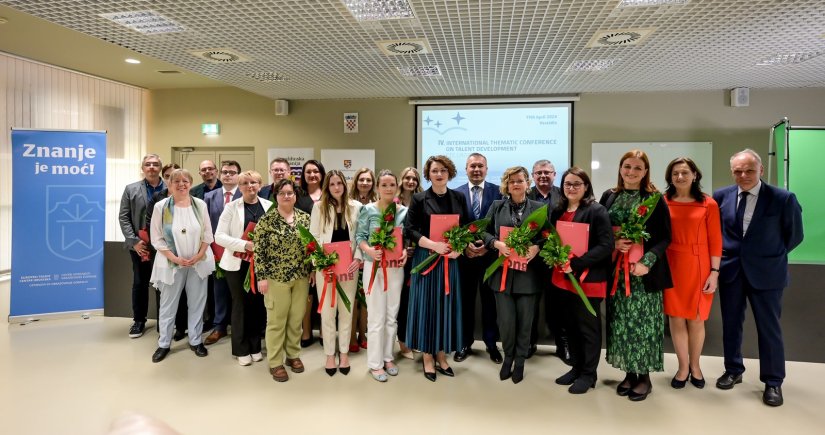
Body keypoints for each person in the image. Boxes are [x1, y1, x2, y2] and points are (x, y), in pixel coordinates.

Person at [713, 149, 803, 407]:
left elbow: (794, 235)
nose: (743, 175)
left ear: (761, 170)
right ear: (732, 172)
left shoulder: (782, 199)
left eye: (749, 170)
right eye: (738, 171)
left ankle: (773, 382)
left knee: (769, 328)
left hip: (767, 274)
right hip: (731, 271)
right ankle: (733, 370)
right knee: (731, 324)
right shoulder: (721, 196)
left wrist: (767, 256)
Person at [599, 149, 672, 402]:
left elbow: (665, 237)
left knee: (643, 326)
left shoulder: (654, 199)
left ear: (645, 172)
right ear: (620, 169)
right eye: (627, 166)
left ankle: (645, 378)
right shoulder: (609, 196)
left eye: (637, 168)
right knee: (621, 325)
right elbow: (601, 232)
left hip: (642, 275)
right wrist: (614, 243)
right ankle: (630, 373)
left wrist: (647, 262)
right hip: (616, 274)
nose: (631, 172)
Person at [405, 155, 470, 382]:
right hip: (427, 258)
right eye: (434, 171)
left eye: (443, 170)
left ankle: (442, 354)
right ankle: (427, 356)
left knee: (445, 306)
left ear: (449, 173)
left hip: (450, 261)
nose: (439, 174)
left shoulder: (459, 197)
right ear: (428, 174)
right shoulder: (419, 199)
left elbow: (468, 227)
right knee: (427, 306)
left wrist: (459, 249)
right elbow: (410, 230)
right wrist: (434, 245)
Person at [550, 167, 614, 394]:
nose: (572, 188)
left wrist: (576, 264)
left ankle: (589, 374)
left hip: (588, 280)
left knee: (588, 329)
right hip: (563, 279)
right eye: (567, 184)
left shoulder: (597, 211)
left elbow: (607, 246)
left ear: (586, 186)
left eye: (577, 184)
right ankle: (576, 368)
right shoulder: (558, 211)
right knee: (570, 327)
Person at [663, 157, 722, 389]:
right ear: (670, 177)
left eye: (685, 172)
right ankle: (682, 367)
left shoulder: (709, 204)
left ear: (695, 175)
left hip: (699, 266)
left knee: (697, 320)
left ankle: (696, 366)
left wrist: (714, 272)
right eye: (675, 173)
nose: (680, 177)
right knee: (676, 319)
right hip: (671, 264)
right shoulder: (663, 201)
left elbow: (716, 240)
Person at [480, 166, 542, 383]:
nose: (516, 184)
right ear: (506, 184)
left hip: (528, 275)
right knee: (506, 321)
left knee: (526, 321)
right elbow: (482, 230)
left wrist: (537, 248)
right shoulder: (497, 206)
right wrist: (495, 243)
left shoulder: (539, 207)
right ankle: (508, 358)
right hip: (502, 274)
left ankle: (521, 361)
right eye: (511, 181)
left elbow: (547, 235)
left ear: (528, 183)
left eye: (520, 180)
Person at [149, 169, 215, 363]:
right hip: (171, 263)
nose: (181, 184)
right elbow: (157, 238)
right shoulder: (161, 206)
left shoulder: (200, 204)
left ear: (190, 183)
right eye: (176, 181)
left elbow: (208, 234)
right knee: (168, 305)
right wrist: (175, 258)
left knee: (197, 303)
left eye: (185, 181)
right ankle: (164, 344)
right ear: (169, 184)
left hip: (198, 262)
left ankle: (195, 341)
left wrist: (199, 255)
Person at [254, 179, 312, 382]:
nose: (287, 196)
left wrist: (312, 269)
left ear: (295, 196)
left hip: (301, 277)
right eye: (282, 193)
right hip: (275, 278)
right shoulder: (266, 221)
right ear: (276, 196)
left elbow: (311, 246)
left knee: (296, 319)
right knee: (277, 322)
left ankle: (293, 355)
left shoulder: (305, 219)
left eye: (290, 193)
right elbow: (258, 252)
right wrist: (261, 277)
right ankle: (276, 362)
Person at [309, 170, 363, 376]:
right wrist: (320, 263)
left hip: (348, 267)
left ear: (345, 185)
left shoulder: (356, 207)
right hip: (326, 268)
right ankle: (330, 355)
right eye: (332, 184)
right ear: (327, 187)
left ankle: (344, 353)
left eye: (339, 183)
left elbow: (360, 236)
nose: (336, 187)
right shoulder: (319, 208)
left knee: (347, 311)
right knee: (328, 313)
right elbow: (313, 238)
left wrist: (357, 258)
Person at [356, 170, 408, 382]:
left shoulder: (404, 211)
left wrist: (405, 252)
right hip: (374, 268)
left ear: (397, 187)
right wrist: (369, 250)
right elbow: (360, 237)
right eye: (384, 185)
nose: (388, 188)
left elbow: (406, 239)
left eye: (391, 185)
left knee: (391, 316)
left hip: (396, 268)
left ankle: (388, 357)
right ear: (377, 187)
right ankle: (375, 364)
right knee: (376, 317)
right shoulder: (367, 210)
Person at [214, 170, 271, 366]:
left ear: (260, 185)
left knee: (257, 306)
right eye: (245, 183)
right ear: (239, 187)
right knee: (240, 305)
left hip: (261, 265)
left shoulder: (269, 206)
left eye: (254, 182)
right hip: (237, 264)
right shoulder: (231, 207)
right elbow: (219, 236)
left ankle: (255, 346)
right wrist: (244, 245)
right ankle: (241, 348)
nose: (250, 186)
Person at [454, 153, 503, 364]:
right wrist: (465, 247)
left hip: (490, 258)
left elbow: (503, 224)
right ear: (466, 169)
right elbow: (453, 226)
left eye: (480, 166)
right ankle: (464, 342)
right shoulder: (456, 194)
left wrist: (488, 247)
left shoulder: (499, 192)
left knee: (490, 304)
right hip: (464, 260)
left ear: (486, 168)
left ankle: (491, 344)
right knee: (465, 303)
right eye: (472, 166)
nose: (476, 169)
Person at [119, 154, 166, 338]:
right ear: (142, 168)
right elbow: (124, 217)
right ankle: (139, 321)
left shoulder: (170, 187)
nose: (152, 167)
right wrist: (134, 241)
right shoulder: (131, 189)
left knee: (163, 284)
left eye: (155, 164)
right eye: (148, 164)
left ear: (160, 168)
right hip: (141, 245)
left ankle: (164, 321)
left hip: (164, 246)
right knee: (140, 283)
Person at [527, 159, 568, 362]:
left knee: (558, 305)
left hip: (556, 261)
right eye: (538, 173)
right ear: (532, 176)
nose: (543, 176)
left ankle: (563, 346)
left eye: (547, 172)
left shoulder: (564, 195)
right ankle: (529, 342)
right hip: (530, 260)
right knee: (531, 304)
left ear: (554, 174)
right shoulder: (524, 195)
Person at [203, 160, 242, 345]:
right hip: (217, 252)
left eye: (232, 172)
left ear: (238, 175)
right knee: (219, 291)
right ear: (220, 174)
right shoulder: (210, 196)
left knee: (240, 293)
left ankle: (239, 327)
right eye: (225, 172)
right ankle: (219, 327)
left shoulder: (246, 193)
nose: (228, 175)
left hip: (241, 253)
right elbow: (205, 224)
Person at [147, 163, 188, 340]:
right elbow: (152, 226)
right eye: (172, 178)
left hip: (187, 257)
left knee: (183, 296)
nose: (178, 183)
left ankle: (181, 328)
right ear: (167, 181)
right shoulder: (159, 200)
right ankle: (163, 334)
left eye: (182, 179)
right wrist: (170, 254)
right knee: (165, 298)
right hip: (165, 255)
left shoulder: (193, 203)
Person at [348, 167, 377, 353]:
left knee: (366, 300)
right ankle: (351, 336)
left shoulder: (377, 203)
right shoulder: (348, 202)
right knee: (352, 300)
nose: (365, 183)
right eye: (361, 180)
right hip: (350, 257)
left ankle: (363, 334)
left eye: (368, 180)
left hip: (369, 258)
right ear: (356, 182)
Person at [396, 167, 423, 360]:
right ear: (401, 180)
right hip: (398, 259)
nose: (411, 181)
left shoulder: (422, 201)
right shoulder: (393, 203)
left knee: (416, 301)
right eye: (407, 178)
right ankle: (403, 342)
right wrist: (403, 248)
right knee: (403, 302)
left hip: (419, 257)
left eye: (414, 178)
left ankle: (414, 339)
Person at [299, 159, 326, 348]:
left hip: (326, 249)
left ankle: (325, 331)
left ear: (322, 173)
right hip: (303, 249)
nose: (312, 175)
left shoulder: (328, 194)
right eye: (308, 172)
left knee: (325, 290)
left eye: (315, 171)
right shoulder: (298, 195)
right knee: (307, 293)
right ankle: (306, 331)